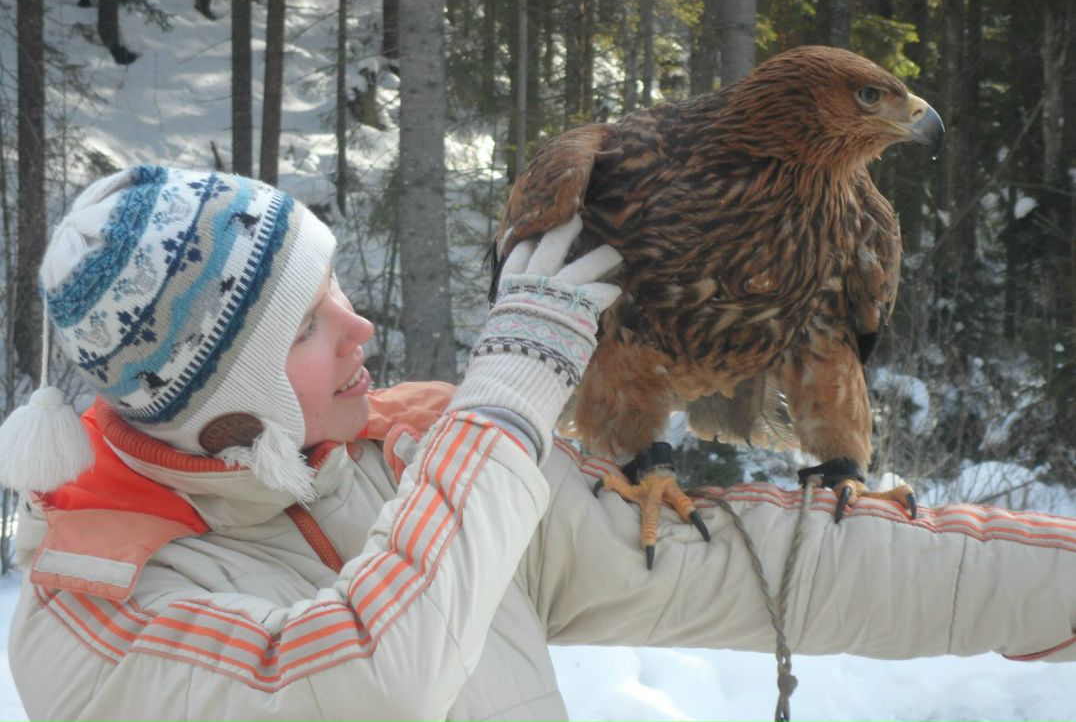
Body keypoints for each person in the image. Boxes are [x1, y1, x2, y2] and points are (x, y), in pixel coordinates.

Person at [0, 165, 1072, 722]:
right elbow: (361, 676)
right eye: (307, 325)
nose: (363, 329)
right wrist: (509, 392)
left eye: (338, 295)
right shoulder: (92, 615)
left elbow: (783, 570)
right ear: (218, 389)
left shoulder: (412, 455)